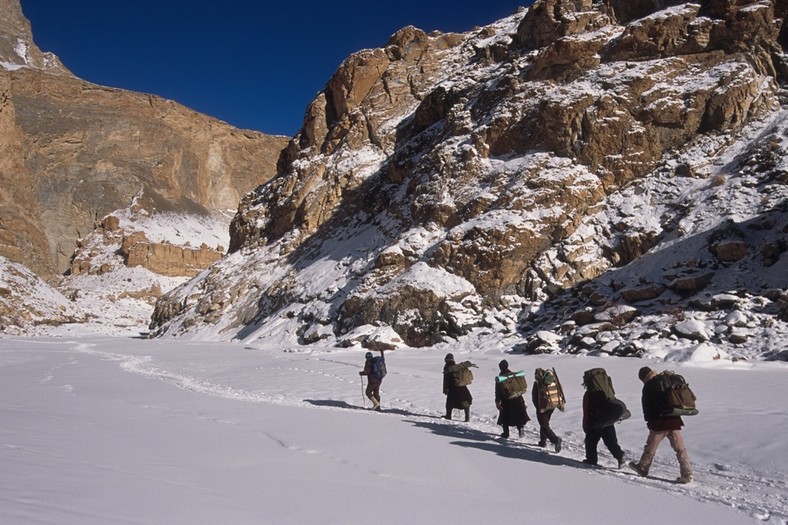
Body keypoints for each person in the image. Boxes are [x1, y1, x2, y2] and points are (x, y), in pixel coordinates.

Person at [629, 367, 694, 484]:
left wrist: (649, 421)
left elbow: (647, 406)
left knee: (651, 447)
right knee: (680, 449)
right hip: (674, 419)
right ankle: (687, 473)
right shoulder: (666, 380)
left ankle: (642, 468)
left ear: (643, 377)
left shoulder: (649, 385)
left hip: (659, 422)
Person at [582, 370, 626, 468]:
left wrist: (587, 426)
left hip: (596, 421)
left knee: (590, 441)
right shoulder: (606, 392)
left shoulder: (590, 394)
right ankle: (620, 456)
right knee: (610, 441)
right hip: (608, 419)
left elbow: (587, 411)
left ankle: (591, 460)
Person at [495, 360, 529, 439]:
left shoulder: (500, 379)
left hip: (506, 401)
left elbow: (498, 392)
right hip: (518, 399)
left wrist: (497, 401)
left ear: (501, 367)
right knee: (518, 416)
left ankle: (506, 433)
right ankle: (521, 430)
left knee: (505, 417)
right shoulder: (514, 375)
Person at [532, 369, 562, 453]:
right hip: (552, 405)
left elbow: (534, 397)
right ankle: (543, 441)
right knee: (544, 422)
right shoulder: (552, 381)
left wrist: (538, 408)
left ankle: (555, 440)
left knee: (544, 424)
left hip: (542, 406)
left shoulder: (538, 384)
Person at [443, 353, 473, 422]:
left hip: (453, 388)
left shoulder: (448, 368)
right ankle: (467, 418)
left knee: (449, 403)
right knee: (465, 401)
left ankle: (448, 416)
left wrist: (445, 389)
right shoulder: (457, 366)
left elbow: (446, 380)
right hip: (462, 387)